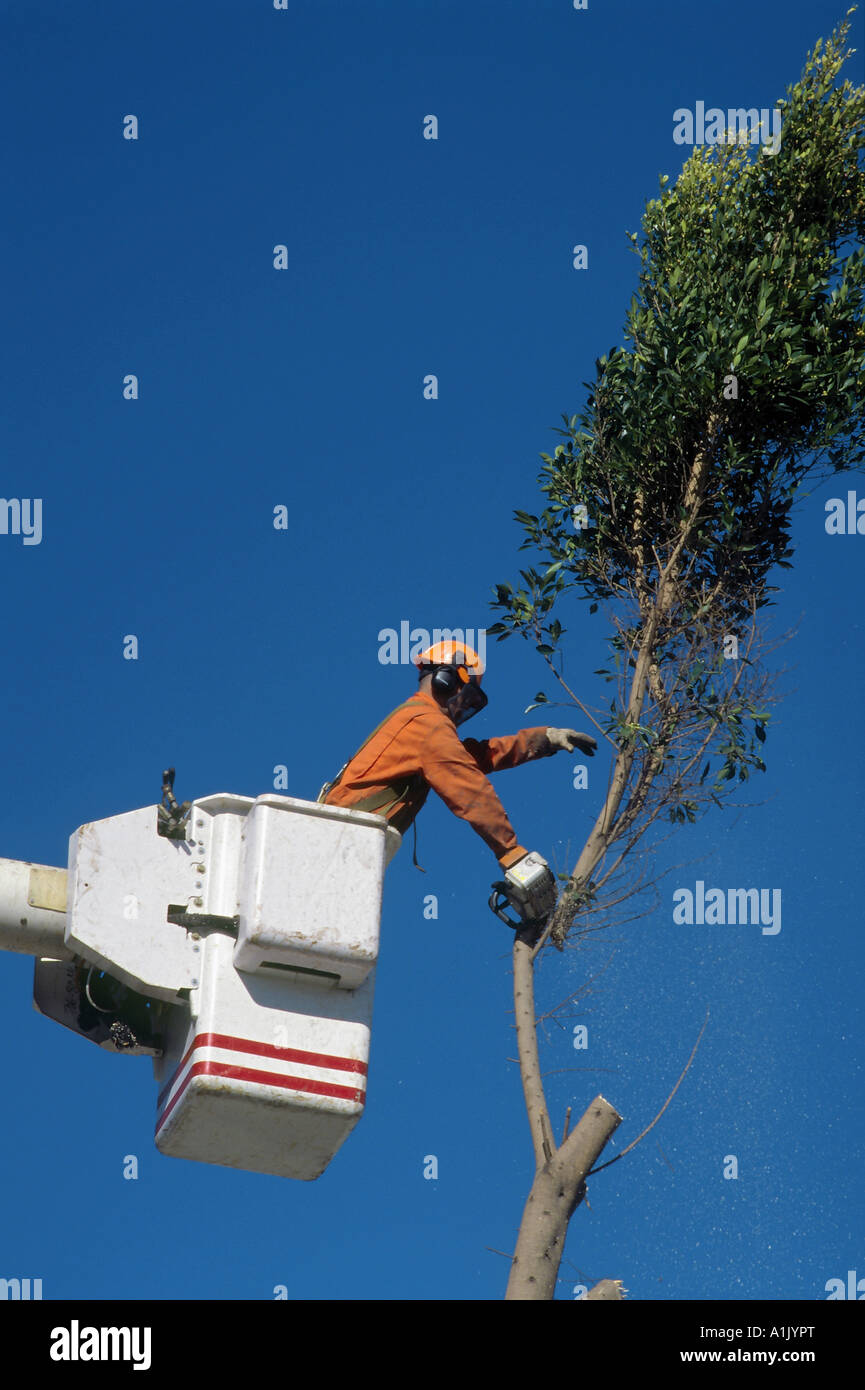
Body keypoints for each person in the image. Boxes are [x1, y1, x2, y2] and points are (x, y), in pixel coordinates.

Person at [319, 641, 597, 903]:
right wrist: (511, 853)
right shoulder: (428, 725)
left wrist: (545, 738)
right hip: (339, 840)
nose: (464, 705)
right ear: (446, 679)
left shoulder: (419, 722)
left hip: (340, 840)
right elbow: (470, 789)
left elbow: (476, 757)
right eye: (466, 694)